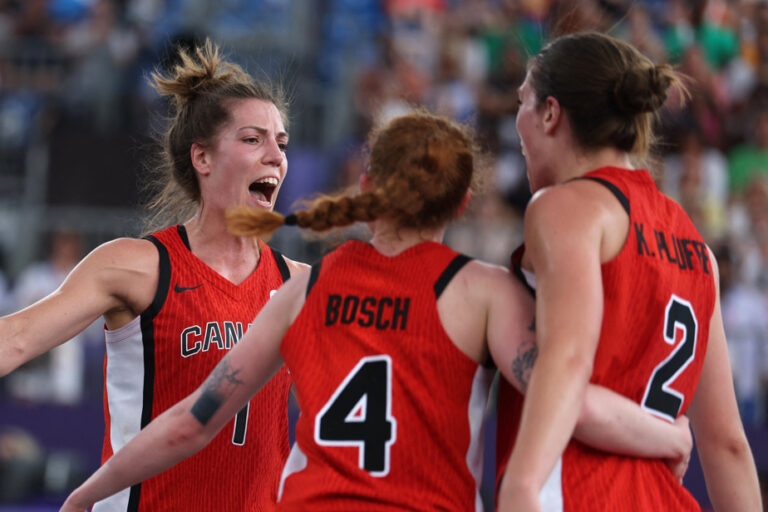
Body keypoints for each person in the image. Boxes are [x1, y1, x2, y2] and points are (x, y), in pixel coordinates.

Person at [60, 111, 692, 512]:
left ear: (366, 187)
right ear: (463, 202)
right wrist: (667, 434)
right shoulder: (482, 293)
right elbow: (570, 402)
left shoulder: (308, 287)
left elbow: (191, 422)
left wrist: (88, 494)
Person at [0, 40, 306, 511]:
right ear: (202, 159)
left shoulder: (299, 285)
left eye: (281, 144)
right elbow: (16, 337)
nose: (275, 157)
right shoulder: (138, 265)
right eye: (252, 139)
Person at [497, 32, 761, 511]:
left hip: (580, 493)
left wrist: (521, 486)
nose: (516, 123)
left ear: (551, 113)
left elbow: (569, 361)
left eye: (523, 102)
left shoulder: (563, 207)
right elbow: (728, 445)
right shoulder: (698, 248)